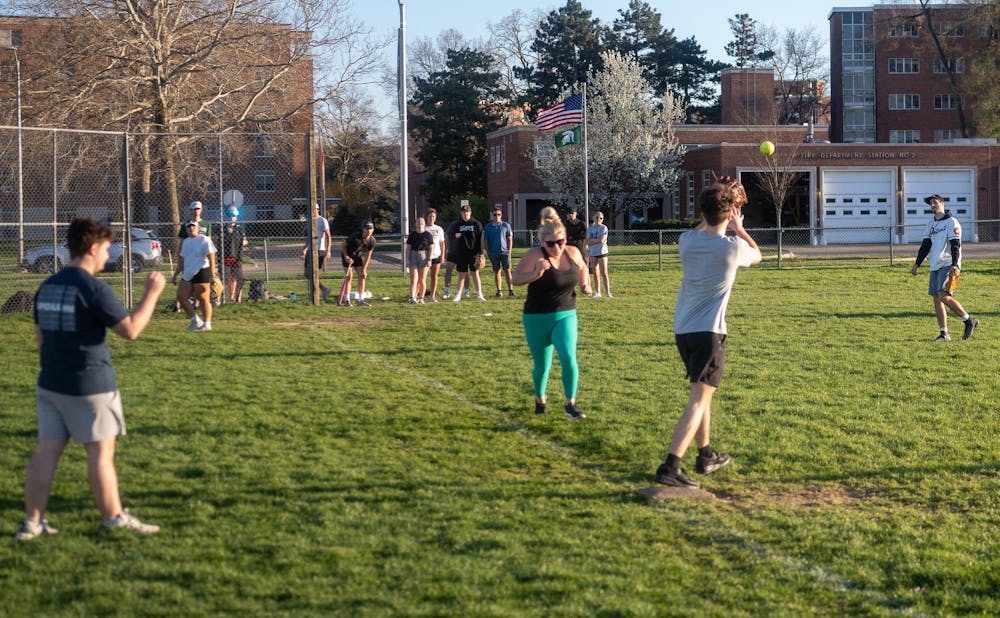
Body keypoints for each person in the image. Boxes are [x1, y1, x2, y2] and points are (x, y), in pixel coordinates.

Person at [17, 218, 165, 540]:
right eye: (108, 249)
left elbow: (41, 338)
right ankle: (113, 518)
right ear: (93, 248)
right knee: (100, 455)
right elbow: (131, 330)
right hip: (90, 385)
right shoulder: (94, 288)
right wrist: (152, 293)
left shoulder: (48, 285)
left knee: (46, 452)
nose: (108, 256)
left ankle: (31, 522)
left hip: (50, 382)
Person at [654, 179, 761, 488]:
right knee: (699, 400)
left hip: (683, 332)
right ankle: (671, 465)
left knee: (702, 395)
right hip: (709, 334)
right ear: (729, 215)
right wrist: (739, 227)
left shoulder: (686, 240)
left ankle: (706, 455)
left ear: (702, 212)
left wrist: (719, 202)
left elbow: (705, 224)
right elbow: (757, 255)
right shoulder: (733, 248)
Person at [511, 207, 592, 420]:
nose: (557, 247)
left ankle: (570, 404)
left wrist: (585, 284)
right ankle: (540, 399)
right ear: (542, 243)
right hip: (537, 317)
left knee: (568, 358)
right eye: (551, 243)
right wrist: (536, 273)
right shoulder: (533, 256)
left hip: (566, 314)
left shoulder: (573, 252)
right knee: (542, 366)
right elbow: (515, 279)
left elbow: (584, 267)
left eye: (561, 241)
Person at [909, 194, 979, 341]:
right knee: (936, 299)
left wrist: (955, 265)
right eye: (930, 204)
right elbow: (926, 245)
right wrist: (917, 264)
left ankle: (968, 320)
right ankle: (944, 334)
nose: (932, 205)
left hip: (948, 264)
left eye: (935, 202)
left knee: (943, 295)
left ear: (942, 203)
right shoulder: (931, 224)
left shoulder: (951, 222)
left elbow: (955, 245)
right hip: (935, 264)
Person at [173, 220, 217, 331]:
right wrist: (176, 274)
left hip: (201, 271)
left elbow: (211, 258)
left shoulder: (204, 239)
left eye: (193, 226)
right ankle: (195, 320)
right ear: (186, 229)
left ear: (197, 228)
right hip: (188, 273)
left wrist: (212, 275)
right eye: (189, 227)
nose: (191, 228)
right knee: (181, 297)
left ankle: (207, 323)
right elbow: (182, 259)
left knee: (203, 298)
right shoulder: (186, 242)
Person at [173, 200, 209, 311]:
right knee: (185, 280)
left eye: (198, 208)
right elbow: (181, 240)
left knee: (198, 283)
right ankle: (178, 304)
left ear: (201, 210)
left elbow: (209, 241)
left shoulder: (206, 224)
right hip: (188, 256)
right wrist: (180, 255)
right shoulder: (186, 225)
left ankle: (196, 304)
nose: (196, 211)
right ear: (191, 210)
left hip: (200, 258)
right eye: (194, 209)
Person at [447, 204, 486, 302]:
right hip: (461, 253)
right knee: (462, 274)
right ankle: (458, 295)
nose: (465, 214)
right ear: (461, 213)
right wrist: (455, 235)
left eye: (467, 212)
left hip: (473, 253)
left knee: (475, 273)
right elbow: (450, 235)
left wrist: (480, 254)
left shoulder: (476, 224)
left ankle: (479, 294)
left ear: (470, 212)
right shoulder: (457, 224)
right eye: (464, 212)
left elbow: (480, 239)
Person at [213, 206, 248, 303]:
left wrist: (242, 242)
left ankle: (235, 298)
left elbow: (245, 241)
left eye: (234, 216)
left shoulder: (240, 229)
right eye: (230, 215)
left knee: (238, 278)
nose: (232, 218)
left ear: (236, 217)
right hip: (224, 257)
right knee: (223, 279)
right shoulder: (220, 228)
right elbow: (214, 240)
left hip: (236, 257)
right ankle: (218, 298)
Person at [300, 203, 332, 302]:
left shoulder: (322, 220)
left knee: (314, 273)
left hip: (319, 249)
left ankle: (315, 295)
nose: (311, 211)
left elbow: (328, 236)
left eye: (313, 209)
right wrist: (304, 249)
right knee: (307, 273)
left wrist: (328, 250)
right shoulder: (309, 221)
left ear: (317, 209)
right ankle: (324, 289)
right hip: (310, 250)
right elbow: (309, 238)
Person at [341, 221, 376, 307]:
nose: (368, 231)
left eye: (370, 229)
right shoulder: (355, 236)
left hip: (357, 257)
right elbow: (343, 245)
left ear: (373, 230)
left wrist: (364, 269)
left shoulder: (372, 241)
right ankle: (347, 300)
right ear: (363, 229)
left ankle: (361, 300)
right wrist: (346, 257)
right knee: (349, 277)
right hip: (348, 256)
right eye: (367, 229)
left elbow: (368, 256)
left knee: (362, 275)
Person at [484, 206, 515, 297]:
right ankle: (499, 291)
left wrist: (509, 250)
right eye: (495, 215)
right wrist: (488, 252)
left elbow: (510, 239)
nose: (497, 216)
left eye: (499, 214)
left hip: (505, 252)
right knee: (497, 271)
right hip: (493, 253)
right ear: (492, 215)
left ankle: (511, 290)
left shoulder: (506, 225)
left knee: (507, 271)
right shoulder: (488, 227)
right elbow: (485, 241)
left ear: (501, 215)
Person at [406, 217, 434, 304]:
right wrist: (407, 259)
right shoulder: (412, 235)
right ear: (415, 224)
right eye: (418, 222)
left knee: (422, 279)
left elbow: (431, 248)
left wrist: (429, 259)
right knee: (414, 278)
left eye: (422, 221)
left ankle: (421, 298)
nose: (420, 223)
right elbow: (408, 248)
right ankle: (412, 297)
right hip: (413, 255)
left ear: (424, 223)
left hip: (424, 256)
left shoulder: (428, 235)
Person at [586, 211, 612, 298]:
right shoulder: (590, 229)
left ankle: (608, 292)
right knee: (595, 272)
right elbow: (587, 241)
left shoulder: (604, 228)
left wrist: (593, 240)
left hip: (602, 252)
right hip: (592, 253)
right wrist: (595, 240)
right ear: (593, 218)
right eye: (597, 217)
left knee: (604, 273)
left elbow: (602, 240)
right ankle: (597, 292)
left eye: (601, 218)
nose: (598, 219)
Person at [425, 208, 446, 302]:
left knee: (434, 277)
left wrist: (442, 255)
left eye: (433, 216)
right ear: (427, 217)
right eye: (430, 216)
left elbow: (442, 243)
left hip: (436, 255)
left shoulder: (439, 229)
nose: (431, 218)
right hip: (425, 256)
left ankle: (432, 296)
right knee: (422, 277)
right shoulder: (424, 228)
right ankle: (419, 294)